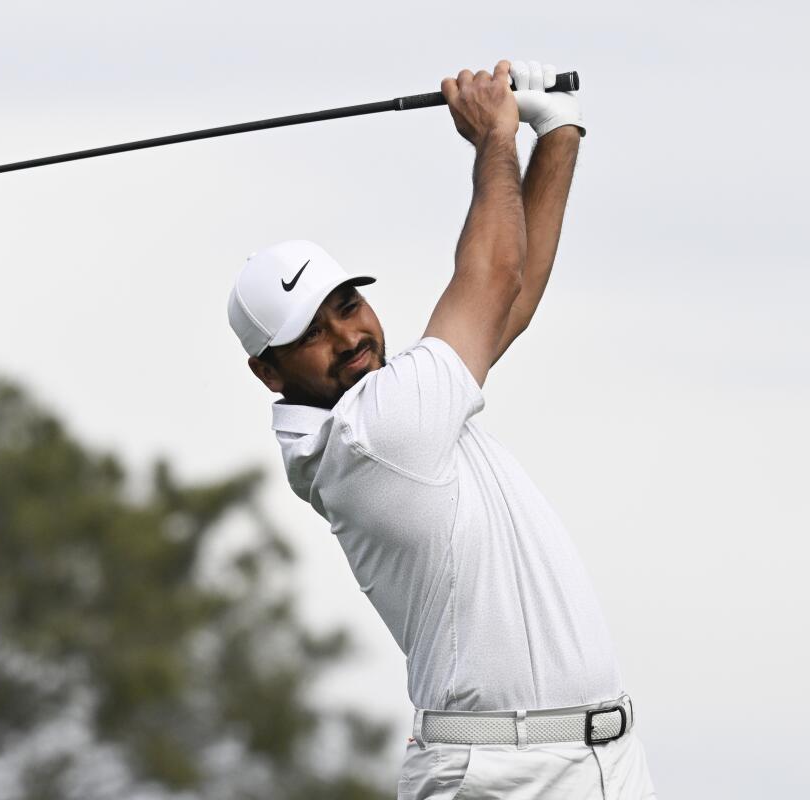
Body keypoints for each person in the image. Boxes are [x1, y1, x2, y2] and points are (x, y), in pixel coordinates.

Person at [226, 59, 657, 799]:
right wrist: (495, 138)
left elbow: (506, 300)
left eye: (348, 305)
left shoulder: (397, 404)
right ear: (270, 372)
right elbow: (490, 279)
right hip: (497, 776)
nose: (349, 335)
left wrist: (554, 129)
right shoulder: (369, 437)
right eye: (312, 333)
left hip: (601, 762)